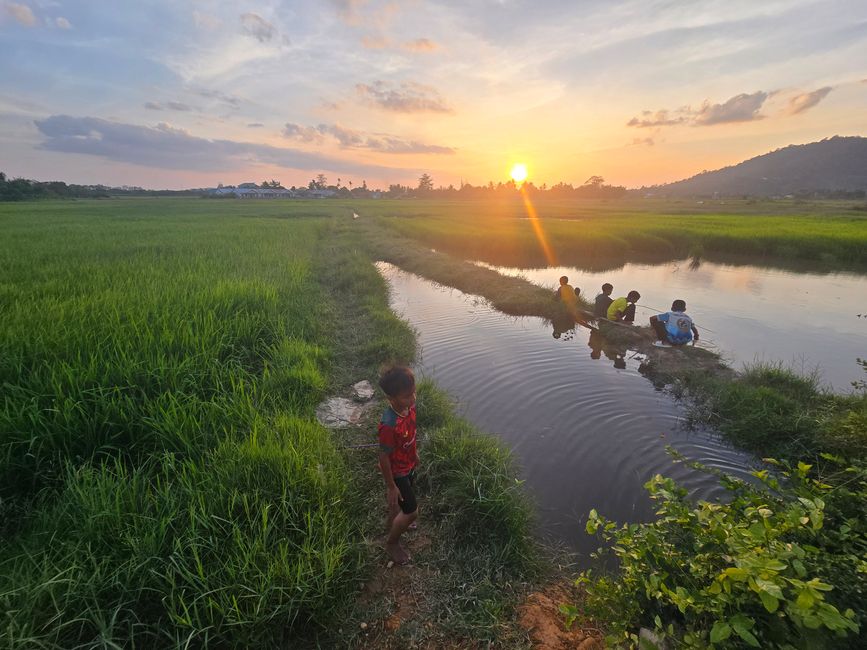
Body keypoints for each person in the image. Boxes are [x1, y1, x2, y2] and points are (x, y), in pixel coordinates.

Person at [377, 365, 419, 565]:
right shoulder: (388, 424)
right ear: (391, 398)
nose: (412, 399)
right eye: (406, 396)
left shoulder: (409, 408)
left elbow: (411, 433)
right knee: (412, 512)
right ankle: (392, 543)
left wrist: (415, 454)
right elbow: (383, 457)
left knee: (403, 504)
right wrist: (391, 485)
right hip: (397, 471)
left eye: (413, 392)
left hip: (408, 463)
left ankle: (394, 518)